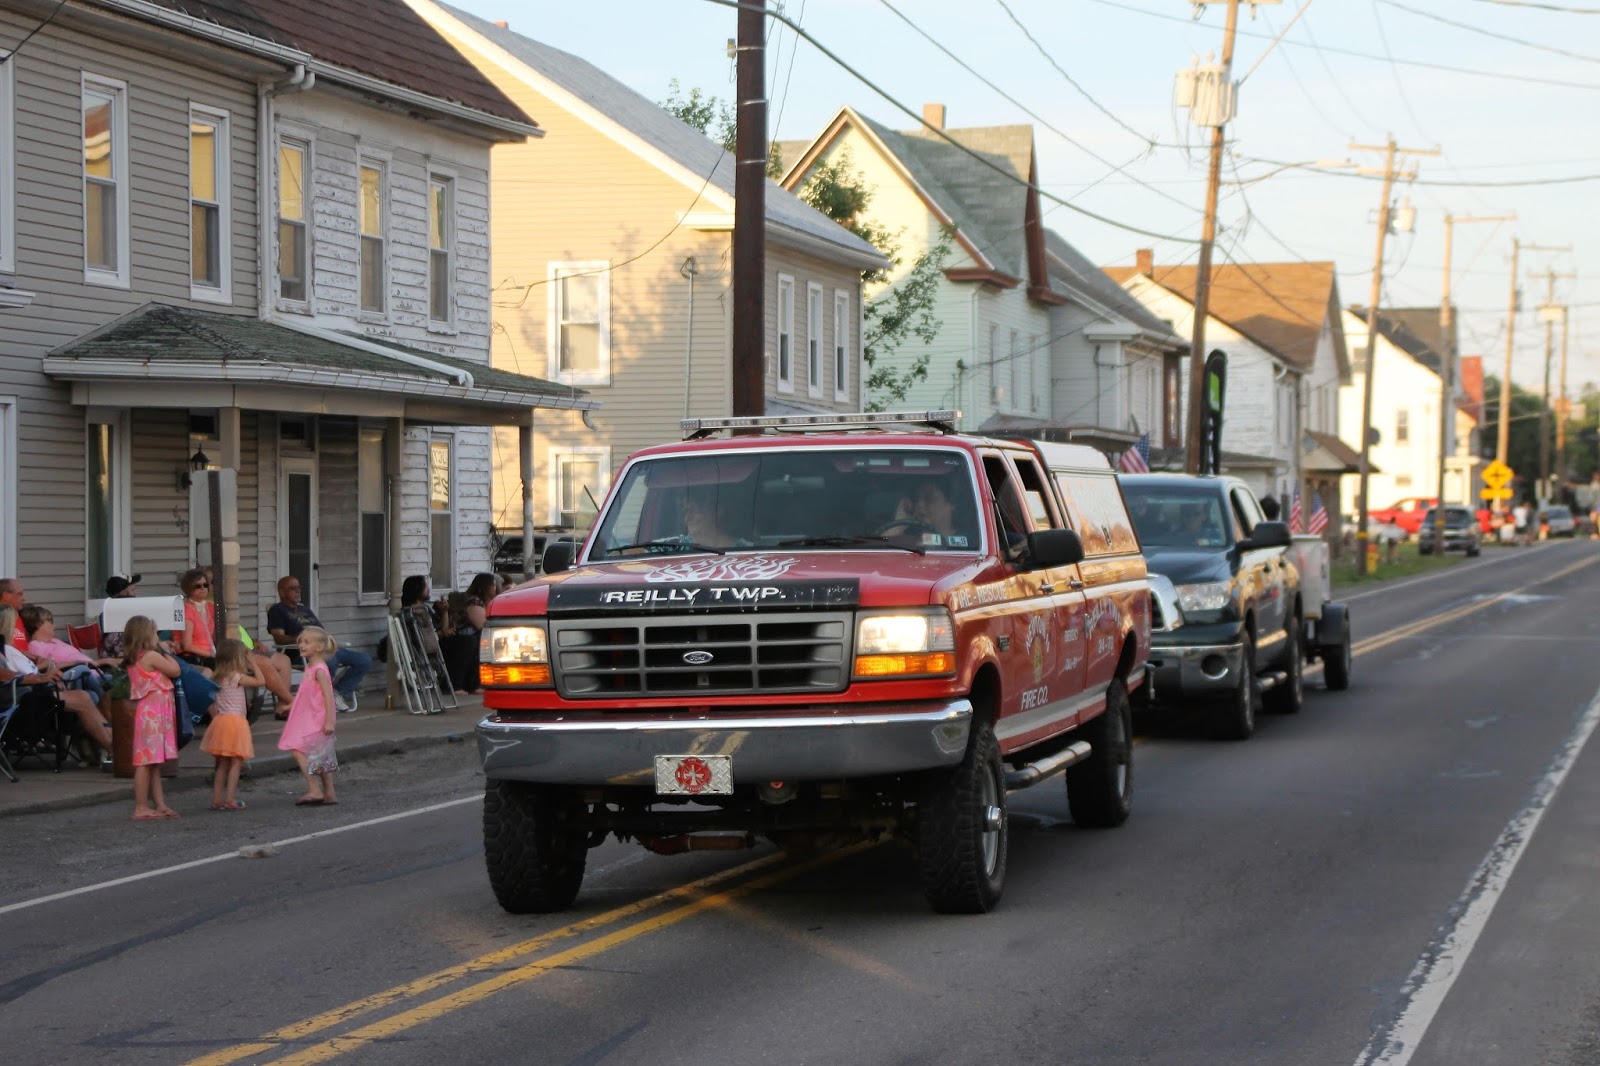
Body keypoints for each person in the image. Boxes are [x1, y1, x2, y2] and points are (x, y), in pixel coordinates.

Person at [1, 605, 116, 760]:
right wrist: (42, 677)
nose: (18, 630)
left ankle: (112, 745)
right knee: (83, 692)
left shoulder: (10, 649)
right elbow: (5, 675)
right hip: (22, 701)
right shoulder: (4, 650)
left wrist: (42, 669)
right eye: (15, 625)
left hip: (36, 691)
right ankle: (114, 748)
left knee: (86, 695)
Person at [267, 576, 371, 712]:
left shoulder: (305, 610)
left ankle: (337, 693)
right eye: (293, 588)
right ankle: (322, 697)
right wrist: (304, 640)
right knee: (330, 661)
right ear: (281, 592)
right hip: (302, 652)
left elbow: (322, 632)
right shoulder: (277, 610)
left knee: (364, 660)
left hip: (324, 648)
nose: (298, 591)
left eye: (299, 587)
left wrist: (328, 641)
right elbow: (279, 638)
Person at [123, 615, 182, 821]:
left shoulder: (138, 656)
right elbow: (175, 670)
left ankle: (160, 803)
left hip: (154, 711)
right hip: (152, 714)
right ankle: (141, 806)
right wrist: (164, 650)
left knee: (153, 761)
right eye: (155, 633)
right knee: (145, 761)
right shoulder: (150, 656)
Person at [278, 626, 339, 806]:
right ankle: (329, 793)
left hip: (317, 717)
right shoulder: (311, 667)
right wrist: (291, 705)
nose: (302, 645)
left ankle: (314, 789)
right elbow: (307, 693)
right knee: (319, 754)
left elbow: (328, 695)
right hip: (309, 716)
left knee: (299, 751)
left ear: (319, 647)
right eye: (301, 642)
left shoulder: (319, 669)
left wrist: (329, 721)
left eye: (307, 642)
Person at [201, 639, 261, 811]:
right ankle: (230, 798)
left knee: (222, 764)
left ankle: (217, 799)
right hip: (236, 723)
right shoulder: (237, 677)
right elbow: (261, 681)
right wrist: (254, 663)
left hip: (221, 721)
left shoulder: (217, 677)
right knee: (236, 762)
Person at [18, 605, 118, 705]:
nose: (55, 626)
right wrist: (80, 663)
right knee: (115, 687)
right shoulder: (35, 646)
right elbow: (47, 668)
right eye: (50, 622)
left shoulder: (54, 641)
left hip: (95, 673)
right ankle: (110, 712)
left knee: (122, 681)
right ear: (37, 624)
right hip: (80, 677)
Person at [440, 572, 496, 694]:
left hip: (470, 637)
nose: (495, 588)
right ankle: (466, 684)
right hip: (462, 635)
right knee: (480, 643)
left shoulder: (485, 601)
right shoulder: (474, 602)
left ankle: (475, 683)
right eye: (493, 585)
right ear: (486, 587)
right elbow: (481, 624)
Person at [178, 567, 216, 670]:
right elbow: (187, 645)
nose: (203, 588)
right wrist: (212, 654)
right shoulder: (187, 609)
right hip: (195, 657)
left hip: (211, 654)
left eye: (205, 585)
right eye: (198, 586)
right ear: (189, 588)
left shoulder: (210, 606)